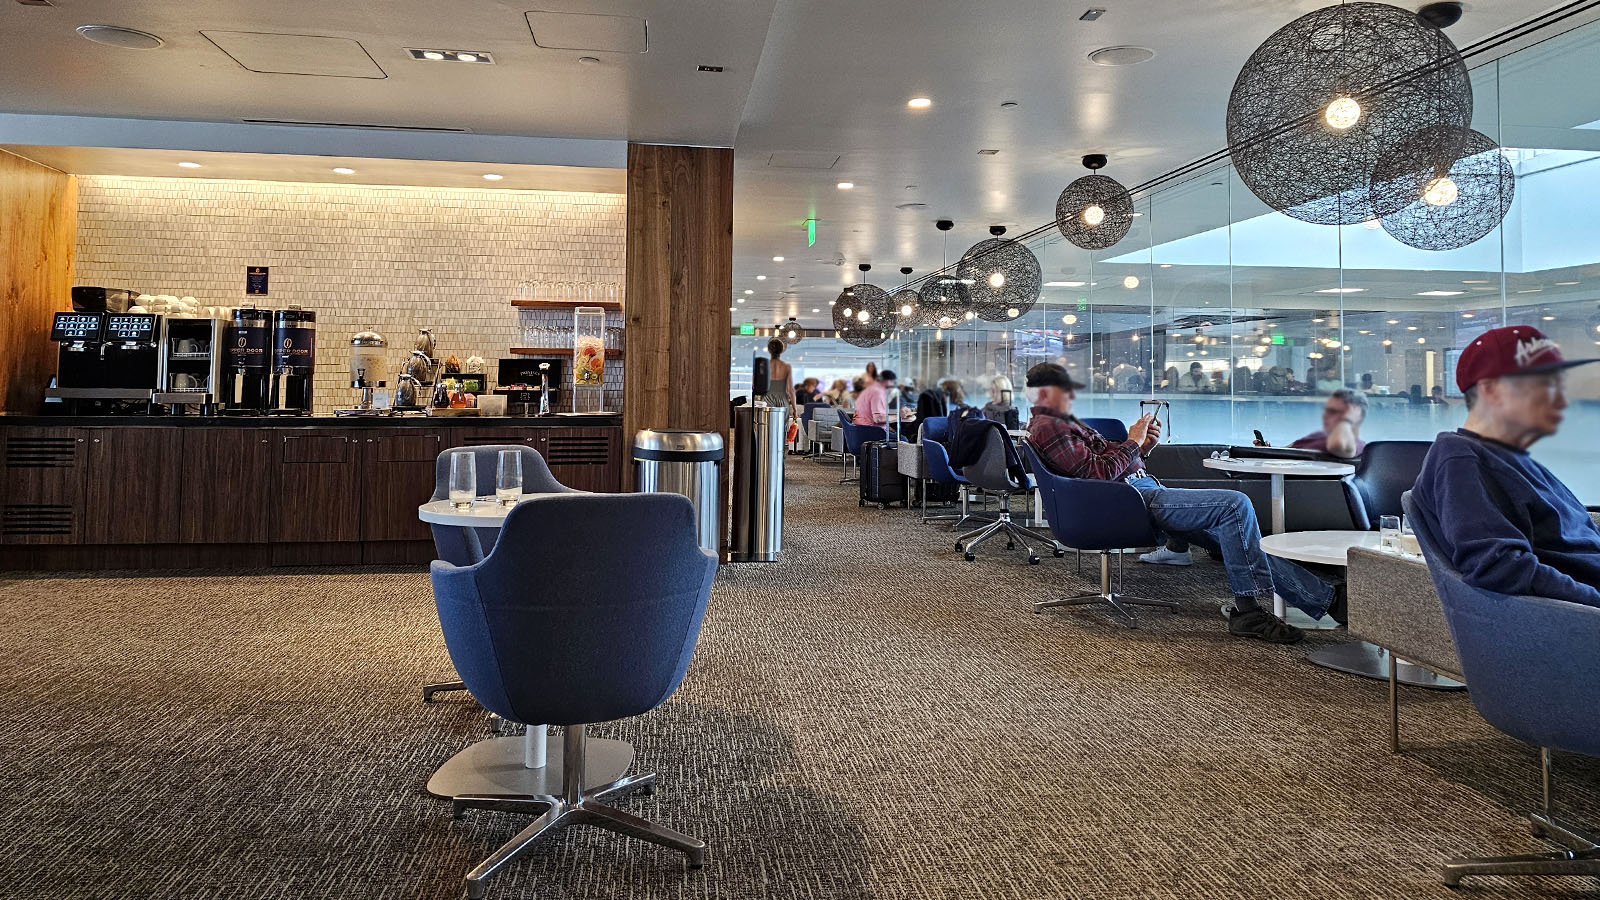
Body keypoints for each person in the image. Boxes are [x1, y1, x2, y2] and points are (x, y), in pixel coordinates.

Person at [1022, 362, 1306, 643]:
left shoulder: (1059, 420)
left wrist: (1142, 449)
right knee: (1235, 505)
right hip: (1128, 499)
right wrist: (1133, 441)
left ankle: (1324, 599)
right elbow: (1099, 475)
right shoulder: (1050, 426)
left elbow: (1104, 465)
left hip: (1135, 490)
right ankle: (1250, 612)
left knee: (1231, 534)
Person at [1411, 325, 1600, 607]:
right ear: (1490, 390)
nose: (1560, 400)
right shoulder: (1461, 459)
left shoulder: (1513, 457)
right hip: (1578, 624)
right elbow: (1499, 567)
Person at [1247, 387, 1368, 458]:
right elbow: (1286, 451)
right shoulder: (1319, 436)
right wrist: (1268, 451)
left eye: (1333, 411)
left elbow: (1344, 448)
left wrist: (1346, 420)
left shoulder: (1354, 444)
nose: (1325, 415)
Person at [762, 339, 795, 412]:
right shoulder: (786, 366)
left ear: (769, 350)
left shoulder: (764, 366)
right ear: (782, 350)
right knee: (782, 423)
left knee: (766, 422)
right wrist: (794, 408)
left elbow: (755, 386)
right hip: (783, 400)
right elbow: (791, 390)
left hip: (767, 400)